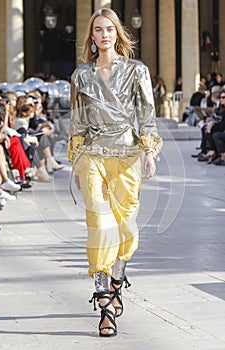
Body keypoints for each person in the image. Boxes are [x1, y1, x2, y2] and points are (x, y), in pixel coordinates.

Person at [68, 8, 162, 337]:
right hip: (92, 156)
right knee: (98, 223)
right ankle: (104, 299)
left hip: (128, 156)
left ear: (118, 33)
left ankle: (118, 277)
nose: (104, 34)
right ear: (91, 36)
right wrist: (76, 163)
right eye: (98, 29)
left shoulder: (137, 71)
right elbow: (77, 123)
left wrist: (149, 151)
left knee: (126, 229)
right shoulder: (80, 75)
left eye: (110, 29)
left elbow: (147, 116)